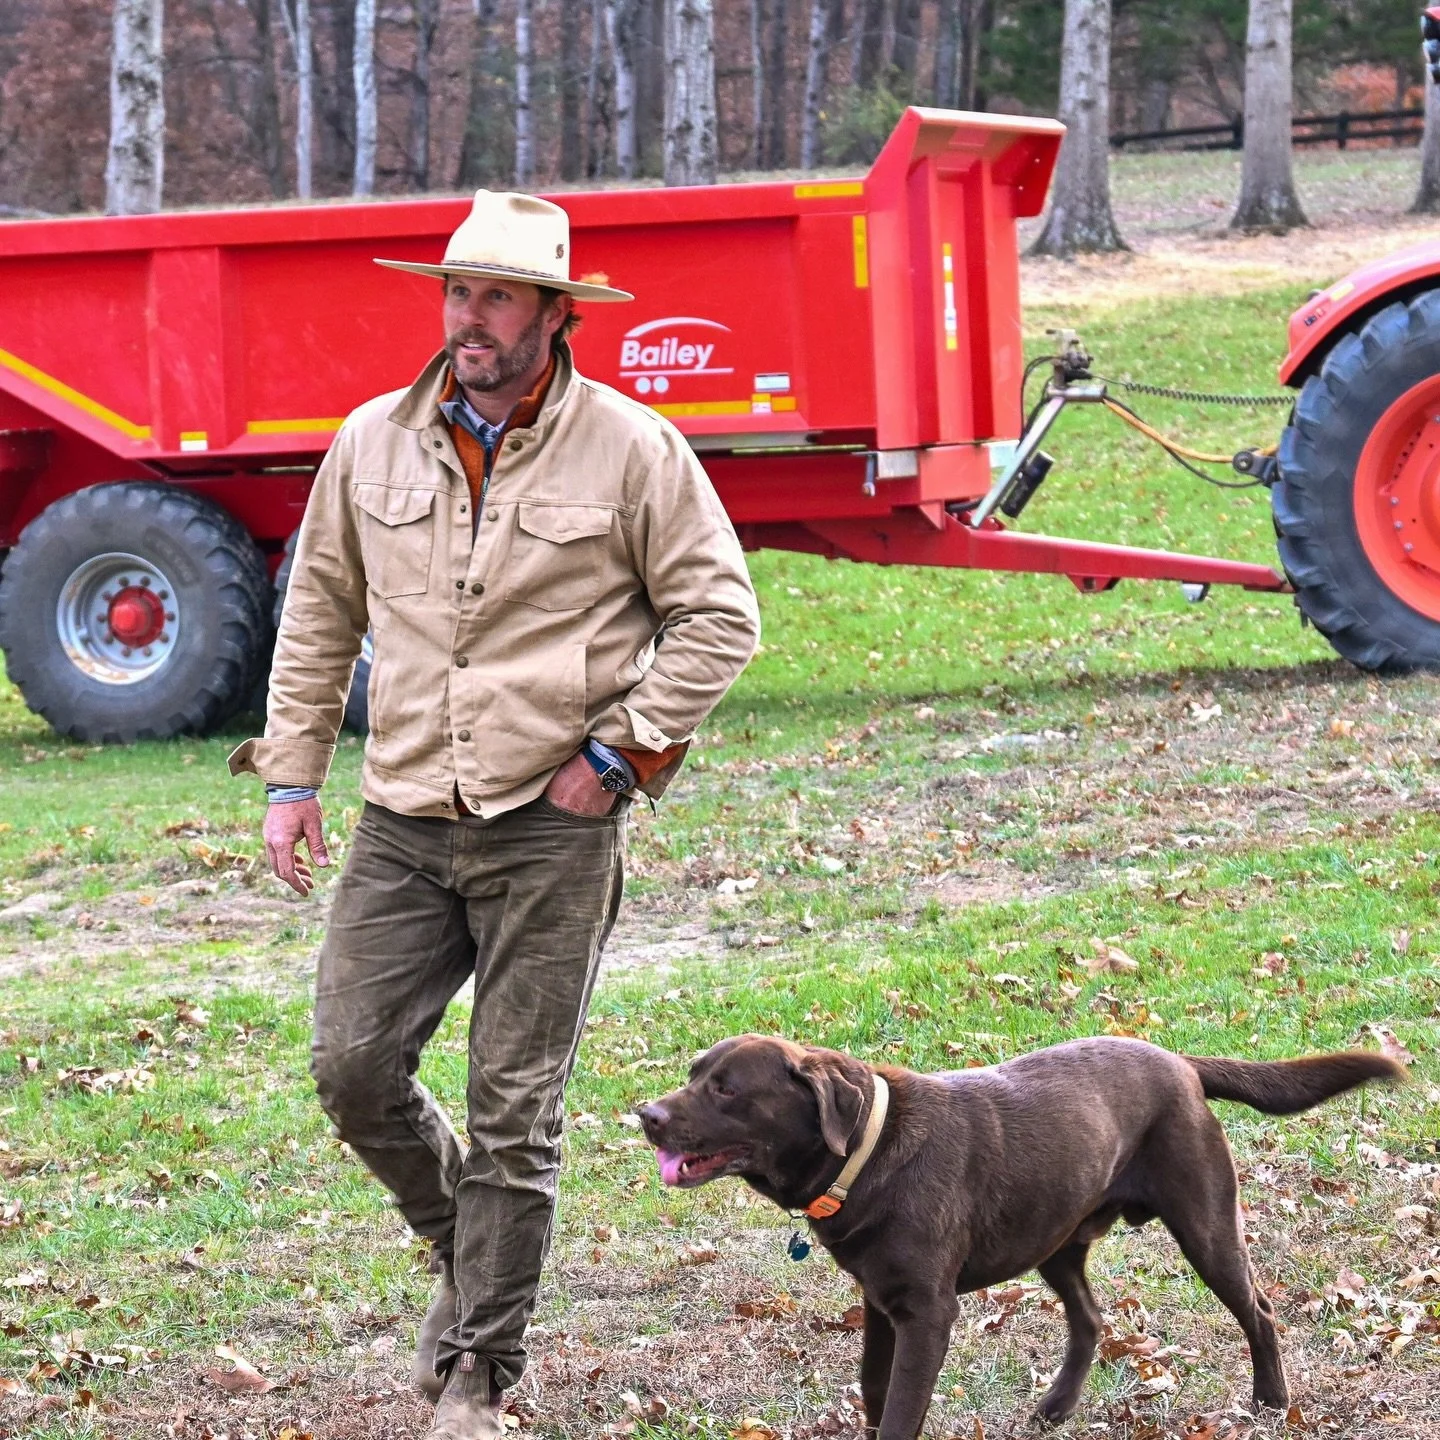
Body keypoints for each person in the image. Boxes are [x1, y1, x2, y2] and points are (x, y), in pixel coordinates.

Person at [228, 190, 760, 1440]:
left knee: (516, 1109)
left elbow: (720, 617)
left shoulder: (632, 448)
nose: (469, 318)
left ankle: (477, 1370)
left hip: (553, 824)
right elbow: (319, 617)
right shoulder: (370, 441)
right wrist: (294, 778)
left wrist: (620, 757)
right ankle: (465, 1252)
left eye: (498, 297)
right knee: (353, 1070)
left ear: (556, 315)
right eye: (457, 293)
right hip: (405, 813)